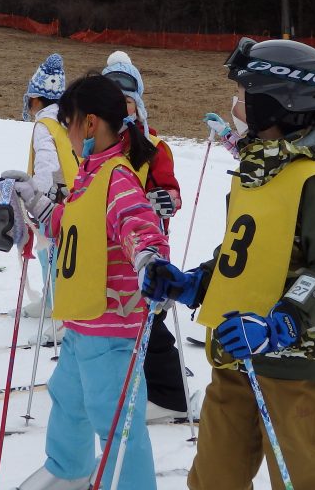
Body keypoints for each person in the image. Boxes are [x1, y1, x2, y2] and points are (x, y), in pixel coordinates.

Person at [142, 38, 315, 490]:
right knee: (214, 477)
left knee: (303, 478)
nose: (235, 105)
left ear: (276, 102)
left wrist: (282, 322)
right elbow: (241, 259)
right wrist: (191, 284)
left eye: (245, 96)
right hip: (234, 354)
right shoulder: (254, 177)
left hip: (292, 367)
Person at [13, 74, 167, 490]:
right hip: (83, 321)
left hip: (112, 325)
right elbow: (69, 225)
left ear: (91, 124)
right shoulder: (90, 172)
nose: (65, 130)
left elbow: (137, 224)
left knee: (115, 418)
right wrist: (35, 200)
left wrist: (149, 259)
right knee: (69, 402)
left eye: (68, 121)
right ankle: (70, 470)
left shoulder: (117, 176)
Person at [101, 51, 194, 423]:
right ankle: (125, 374)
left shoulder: (154, 146)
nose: (124, 113)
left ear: (138, 105)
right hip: (107, 248)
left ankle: (172, 396)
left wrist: (163, 201)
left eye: (129, 104)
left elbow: (172, 192)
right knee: (113, 313)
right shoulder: (101, 147)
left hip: (145, 246)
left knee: (147, 319)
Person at [20, 53, 76, 319]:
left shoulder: (44, 125)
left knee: (49, 255)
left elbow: (46, 161)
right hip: (73, 197)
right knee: (61, 255)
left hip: (52, 201)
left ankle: (57, 307)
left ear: (36, 98)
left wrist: (35, 194)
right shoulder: (66, 120)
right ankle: (50, 299)